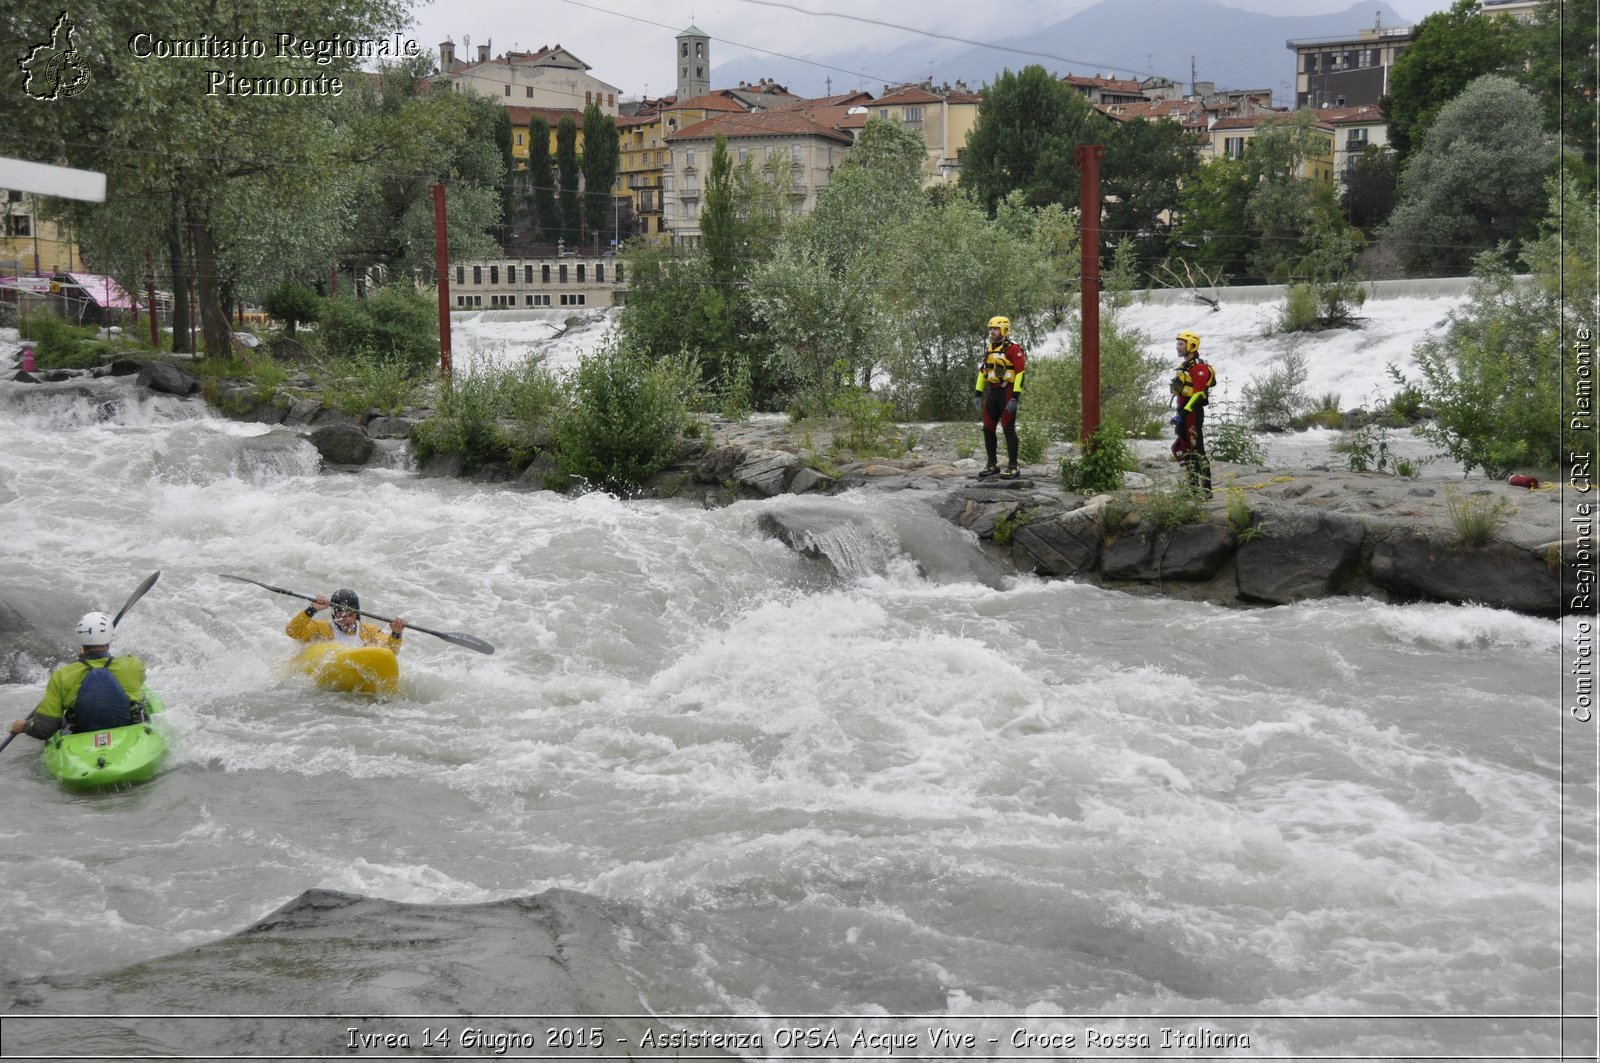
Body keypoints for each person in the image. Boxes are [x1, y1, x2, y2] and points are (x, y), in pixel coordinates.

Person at [7, 612, 147, 740]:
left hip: (81, 739)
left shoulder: (62, 675)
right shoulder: (132, 665)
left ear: (81, 639)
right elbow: (140, 681)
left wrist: (25, 726)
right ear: (109, 637)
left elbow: (45, 730)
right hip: (128, 734)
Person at [974, 314, 1027, 479]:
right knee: (988, 428)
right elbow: (983, 372)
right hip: (993, 392)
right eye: (991, 328)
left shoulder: (1013, 349)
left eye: (995, 328)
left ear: (1004, 329)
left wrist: (1015, 397)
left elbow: (1020, 374)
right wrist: (978, 393)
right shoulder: (989, 348)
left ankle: (1013, 467)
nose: (992, 331)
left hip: (1007, 391)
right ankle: (992, 465)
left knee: (1008, 429)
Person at [285, 588, 406, 650]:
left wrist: (396, 634)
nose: (346, 619)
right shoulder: (321, 629)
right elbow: (293, 632)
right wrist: (312, 609)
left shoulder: (368, 631)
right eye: (341, 614)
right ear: (334, 614)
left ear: (357, 615)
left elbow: (390, 650)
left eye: (350, 615)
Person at [1169, 329, 1216, 491]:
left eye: (1181, 344)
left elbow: (1198, 395)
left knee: (1197, 451)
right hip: (1183, 413)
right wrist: (1179, 414)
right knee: (1182, 448)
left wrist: (1182, 414)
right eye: (1177, 344)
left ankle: (1206, 490)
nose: (1177, 347)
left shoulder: (1199, 368)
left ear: (1191, 345)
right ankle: (1193, 487)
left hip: (1192, 414)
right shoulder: (1185, 366)